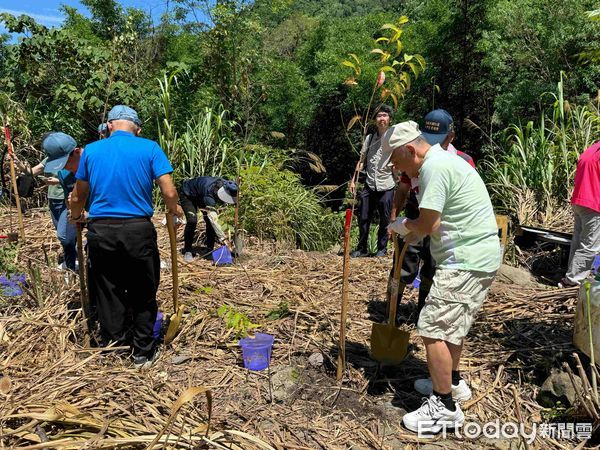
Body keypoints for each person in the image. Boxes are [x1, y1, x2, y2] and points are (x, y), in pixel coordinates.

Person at [384, 121, 501, 434]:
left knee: (433, 326)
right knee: (451, 325)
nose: (396, 169)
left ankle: (444, 407)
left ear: (411, 149)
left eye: (396, 161)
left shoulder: (435, 167)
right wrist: (411, 228)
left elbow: (430, 224)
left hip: (465, 260)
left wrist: (404, 226)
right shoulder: (445, 161)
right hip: (475, 256)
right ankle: (453, 382)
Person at [69, 105, 183, 369]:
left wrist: (76, 215)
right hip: (137, 230)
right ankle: (142, 352)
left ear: (110, 125)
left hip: (102, 230)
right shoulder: (150, 148)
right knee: (143, 289)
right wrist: (173, 210)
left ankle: (115, 344)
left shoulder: (92, 150)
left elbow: (78, 195)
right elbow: (168, 190)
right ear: (137, 129)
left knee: (108, 288)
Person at [389, 109, 476, 321]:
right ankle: (390, 313)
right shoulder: (415, 157)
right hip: (415, 214)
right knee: (402, 267)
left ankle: (423, 314)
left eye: (439, 139)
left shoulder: (463, 161)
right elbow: (402, 189)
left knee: (432, 268)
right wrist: (394, 218)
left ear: (451, 136)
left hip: (443, 226)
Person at [11, 132, 80, 271]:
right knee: (65, 235)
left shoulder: (78, 160)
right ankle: (72, 259)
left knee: (65, 235)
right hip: (53, 199)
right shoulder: (50, 159)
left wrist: (58, 181)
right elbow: (32, 171)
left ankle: (72, 265)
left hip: (67, 199)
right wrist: (18, 164)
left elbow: (77, 180)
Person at [349, 104, 395, 257]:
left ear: (389, 119)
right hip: (369, 183)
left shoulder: (394, 139)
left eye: (385, 116)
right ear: (375, 119)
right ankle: (362, 248)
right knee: (363, 217)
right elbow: (361, 160)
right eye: (379, 116)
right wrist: (354, 180)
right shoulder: (369, 139)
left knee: (385, 219)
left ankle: (382, 249)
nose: (382, 119)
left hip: (387, 184)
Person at [559, 140, 600, 287]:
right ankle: (573, 281)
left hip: (580, 201)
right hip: (594, 204)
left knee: (578, 242)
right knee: (590, 246)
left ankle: (570, 276)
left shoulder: (593, 149)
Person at [179, 176, 238, 262]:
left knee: (209, 222)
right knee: (192, 220)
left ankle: (210, 248)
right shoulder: (210, 194)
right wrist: (224, 239)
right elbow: (213, 219)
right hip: (187, 194)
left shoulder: (228, 185)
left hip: (201, 194)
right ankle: (187, 250)